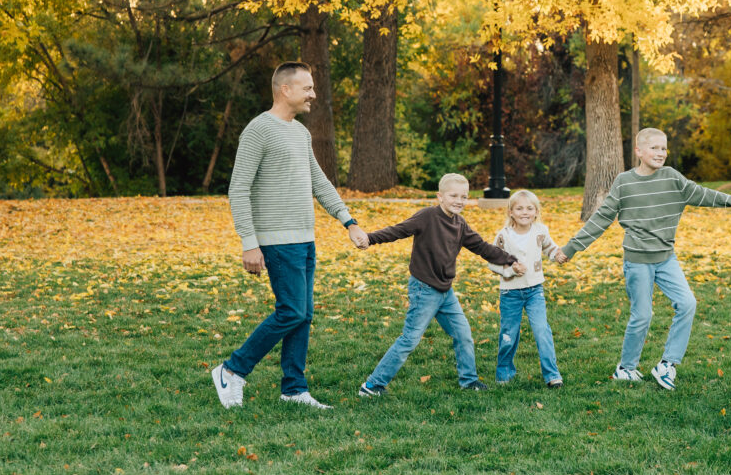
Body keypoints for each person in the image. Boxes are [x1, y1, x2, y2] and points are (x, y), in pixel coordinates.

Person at [556, 127, 731, 391]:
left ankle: (667, 365)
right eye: (654, 148)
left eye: (664, 148)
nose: (660, 153)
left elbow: (709, 195)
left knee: (687, 303)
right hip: (637, 261)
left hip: (667, 258)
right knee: (642, 315)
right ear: (639, 151)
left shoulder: (672, 178)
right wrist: (571, 248)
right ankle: (626, 368)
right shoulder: (624, 182)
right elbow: (601, 218)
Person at [212, 61, 369, 411]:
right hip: (276, 240)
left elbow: (319, 182)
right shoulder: (258, 130)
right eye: (308, 88)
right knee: (291, 311)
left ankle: (294, 388)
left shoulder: (300, 132)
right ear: (286, 90)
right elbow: (238, 189)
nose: (314, 93)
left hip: (304, 238)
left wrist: (349, 221)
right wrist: (249, 243)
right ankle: (232, 369)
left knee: (303, 314)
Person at [357, 174, 524, 396]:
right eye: (453, 195)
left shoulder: (460, 224)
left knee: (463, 333)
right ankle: (372, 385)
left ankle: (469, 380)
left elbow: (482, 247)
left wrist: (510, 259)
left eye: (464, 196)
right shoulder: (427, 216)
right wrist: (370, 238)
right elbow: (399, 230)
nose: (459, 200)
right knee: (409, 339)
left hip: (446, 291)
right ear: (440, 196)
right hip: (424, 289)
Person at [487, 190, 564, 388]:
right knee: (508, 334)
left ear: (536, 211)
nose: (525, 212)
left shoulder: (540, 231)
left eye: (530, 208)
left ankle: (552, 374)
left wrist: (558, 256)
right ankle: (504, 372)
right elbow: (492, 262)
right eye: (519, 208)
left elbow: (550, 249)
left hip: (534, 291)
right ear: (511, 212)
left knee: (541, 330)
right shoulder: (503, 235)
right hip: (510, 293)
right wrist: (509, 270)